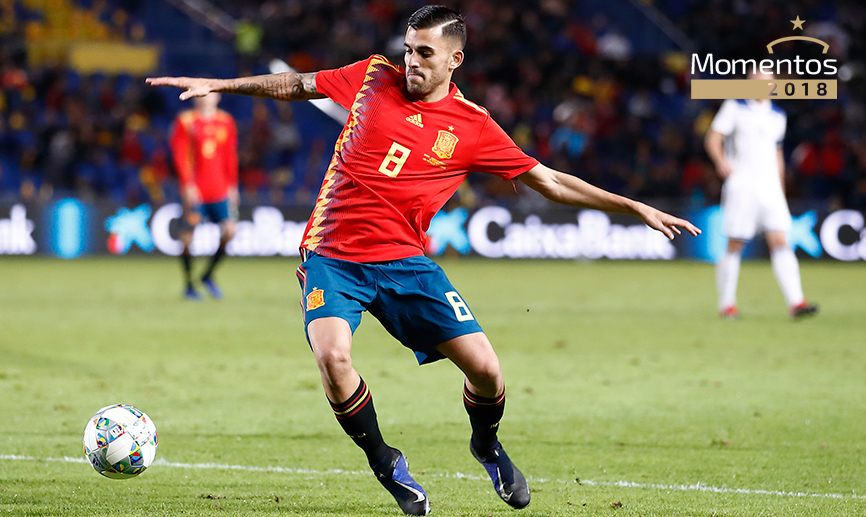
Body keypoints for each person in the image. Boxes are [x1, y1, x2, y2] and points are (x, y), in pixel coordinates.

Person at [148, 6, 699, 515]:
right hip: (332, 258)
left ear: (455, 58)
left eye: (425, 53)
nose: (411, 61)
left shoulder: (473, 126)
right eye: (409, 49)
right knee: (333, 358)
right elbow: (296, 83)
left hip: (407, 264)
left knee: (486, 370)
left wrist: (632, 206)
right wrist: (220, 85)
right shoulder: (371, 77)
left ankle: (486, 446)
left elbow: (548, 181)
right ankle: (386, 462)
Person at [704, 71, 818, 321]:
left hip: (770, 189)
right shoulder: (735, 106)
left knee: (780, 239)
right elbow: (713, 138)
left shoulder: (777, 115)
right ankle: (727, 304)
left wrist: (781, 187)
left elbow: (777, 153)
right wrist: (721, 163)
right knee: (735, 243)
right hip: (742, 185)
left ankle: (796, 302)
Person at [168, 92, 239, 300]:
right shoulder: (186, 121)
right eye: (201, 93)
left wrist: (233, 185)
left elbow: (230, 155)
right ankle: (189, 284)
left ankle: (207, 275)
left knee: (230, 232)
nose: (205, 97)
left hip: (220, 189)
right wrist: (187, 185)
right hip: (196, 189)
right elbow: (180, 155)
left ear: (217, 97)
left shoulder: (226, 121)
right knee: (187, 238)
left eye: (209, 92)